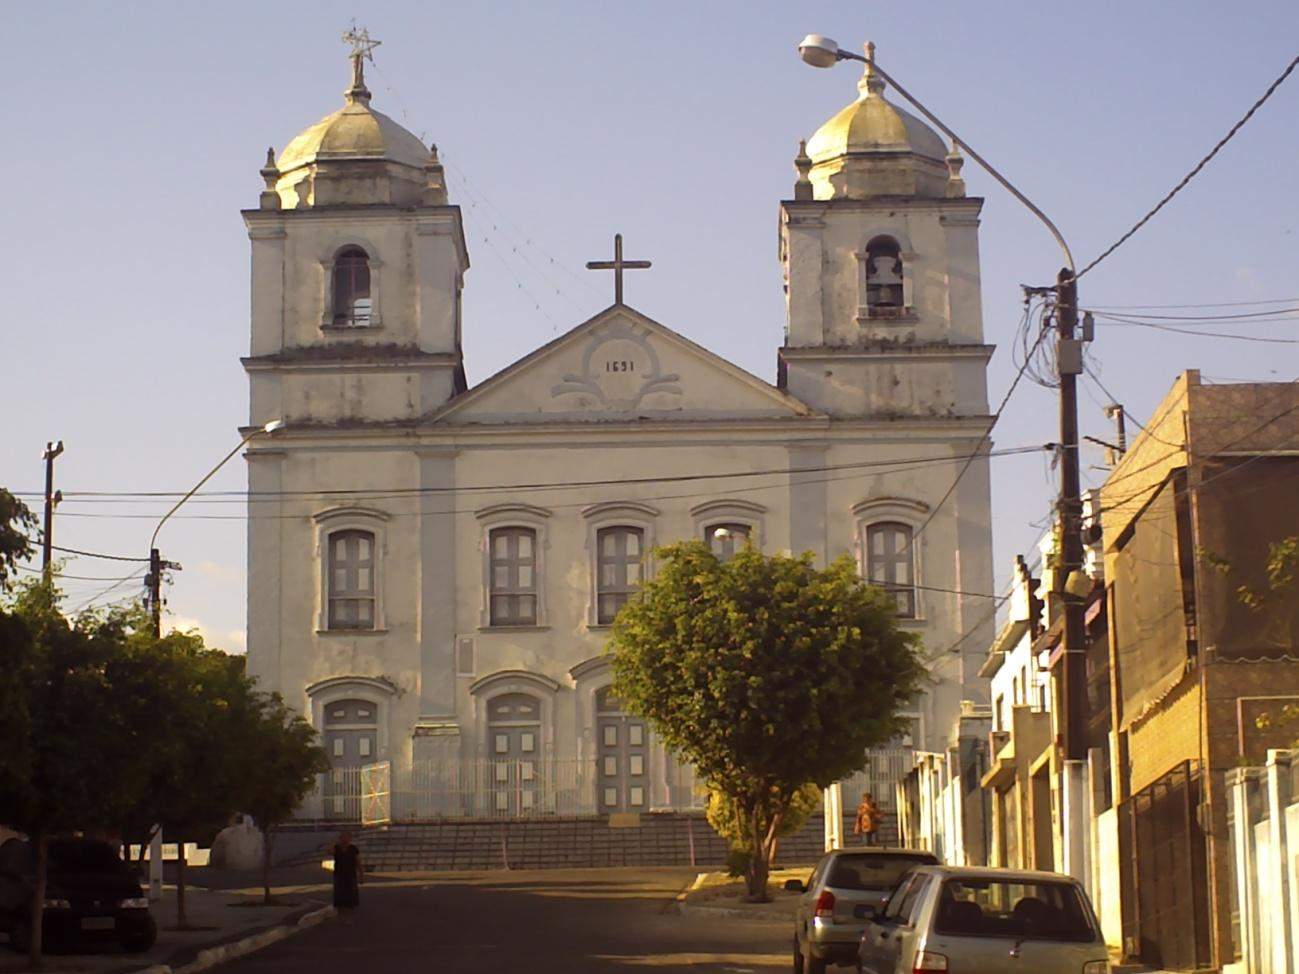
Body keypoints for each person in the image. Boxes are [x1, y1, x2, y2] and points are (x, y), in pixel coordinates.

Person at [331, 831, 363, 913]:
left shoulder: (353, 849)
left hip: (350, 874)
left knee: (350, 892)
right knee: (339, 892)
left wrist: (361, 875)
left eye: (346, 837)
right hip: (339, 874)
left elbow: (358, 862)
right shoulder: (336, 848)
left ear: (350, 839)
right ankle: (340, 908)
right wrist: (333, 843)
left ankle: (349, 908)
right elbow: (329, 852)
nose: (344, 839)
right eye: (342, 837)